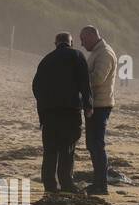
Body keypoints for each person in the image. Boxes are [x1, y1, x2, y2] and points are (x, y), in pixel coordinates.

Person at [31, 32, 93, 193]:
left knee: (50, 150)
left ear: (56, 43)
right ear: (70, 42)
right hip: (70, 111)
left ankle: (50, 185)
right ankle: (66, 183)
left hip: (49, 113)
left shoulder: (46, 59)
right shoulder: (77, 55)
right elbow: (84, 82)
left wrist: (43, 106)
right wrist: (88, 105)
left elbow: (36, 86)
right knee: (67, 148)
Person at [79, 25, 117, 196]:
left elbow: (98, 79)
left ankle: (101, 184)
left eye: (84, 40)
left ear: (93, 36)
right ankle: (98, 182)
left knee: (97, 145)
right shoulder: (97, 52)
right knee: (93, 144)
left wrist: (78, 80)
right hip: (96, 103)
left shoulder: (105, 53)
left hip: (101, 105)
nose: (82, 44)